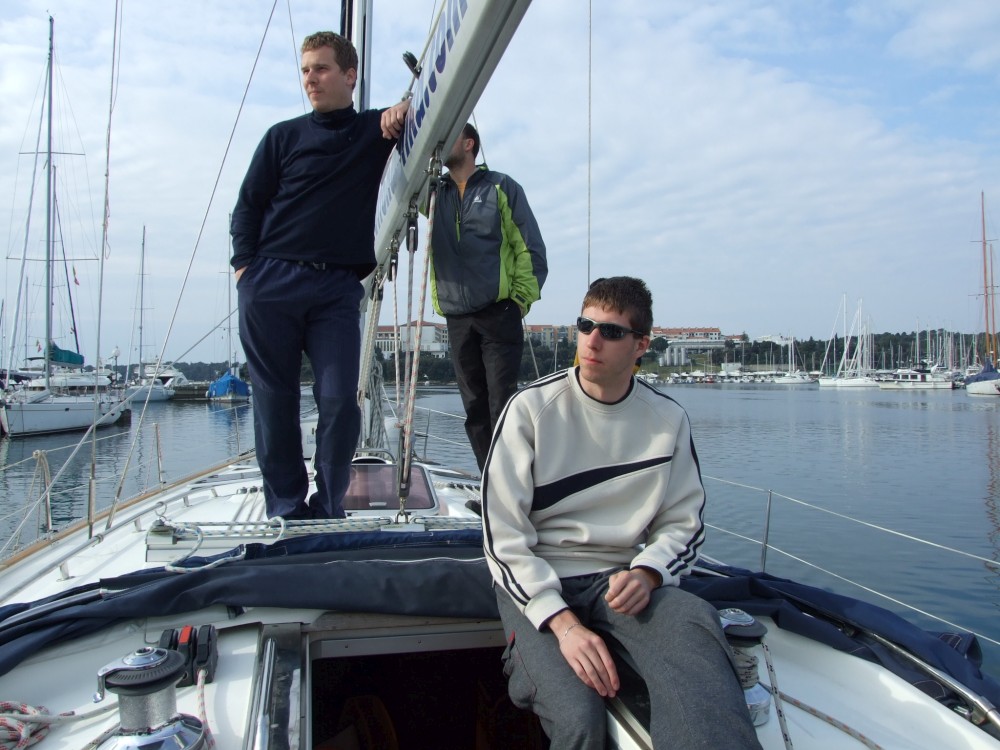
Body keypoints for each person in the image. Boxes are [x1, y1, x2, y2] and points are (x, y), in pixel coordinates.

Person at [483, 277, 762, 749]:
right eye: (585, 326)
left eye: (610, 332)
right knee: (579, 718)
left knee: (694, 628)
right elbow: (502, 536)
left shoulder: (666, 420)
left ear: (641, 345)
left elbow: (683, 522)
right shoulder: (529, 410)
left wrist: (649, 573)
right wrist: (565, 625)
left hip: (621, 580)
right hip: (535, 581)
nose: (592, 341)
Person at [230, 31, 409, 520]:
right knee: (274, 404)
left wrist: (402, 109)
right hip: (270, 283)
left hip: (335, 289)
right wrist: (245, 270)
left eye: (322, 68)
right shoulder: (282, 137)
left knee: (339, 401)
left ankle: (328, 506)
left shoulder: (374, 131)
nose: (311, 78)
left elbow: (422, 113)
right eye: (305, 70)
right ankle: (287, 508)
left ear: (350, 76)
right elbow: (247, 207)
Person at [429, 123, 547, 472]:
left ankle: (516, 482)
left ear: (469, 143)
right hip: (456, 316)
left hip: (498, 312)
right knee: (474, 409)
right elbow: (398, 188)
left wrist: (519, 302)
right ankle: (491, 483)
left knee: (502, 404)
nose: (441, 141)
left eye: (450, 133)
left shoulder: (501, 187)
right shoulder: (433, 193)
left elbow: (529, 248)